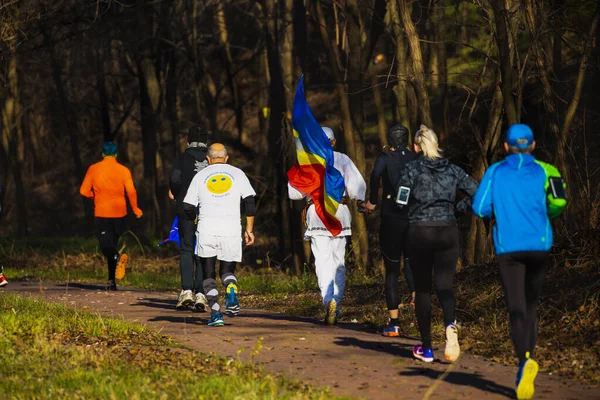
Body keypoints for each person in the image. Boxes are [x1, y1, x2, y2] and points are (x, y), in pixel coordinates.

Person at [472, 124, 567, 400]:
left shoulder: (495, 172)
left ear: (505, 147)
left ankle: (524, 361)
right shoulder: (547, 170)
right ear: (534, 145)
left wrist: (501, 209)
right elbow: (560, 202)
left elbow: (479, 208)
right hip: (539, 246)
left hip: (509, 248)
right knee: (531, 306)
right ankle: (529, 357)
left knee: (516, 308)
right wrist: (543, 212)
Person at [395, 125, 478, 363]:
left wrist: (409, 208)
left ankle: (427, 348)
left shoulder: (410, 170)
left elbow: (401, 201)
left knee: (422, 289)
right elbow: (478, 192)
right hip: (448, 231)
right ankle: (451, 329)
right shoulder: (453, 170)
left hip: (420, 232)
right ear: (436, 143)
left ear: (416, 147)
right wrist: (456, 210)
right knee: (445, 286)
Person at [288, 127, 367, 325]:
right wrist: (359, 200)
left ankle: (327, 301)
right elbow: (357, 187)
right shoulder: (342, 159)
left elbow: (293, 193)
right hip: (339, 212)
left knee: (322, 261)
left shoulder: (307, 161)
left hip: (316, 213)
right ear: (333, 142)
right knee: (338, 260)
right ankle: (336, 304)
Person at [183, 143, 256, 327]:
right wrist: (249, 229)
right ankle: (231, 287)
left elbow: (187, 207)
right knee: (226, 271)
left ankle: (216, 314)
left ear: (208, 159)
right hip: (231, 230)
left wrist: (196, 219)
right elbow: (249, 202)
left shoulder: (200, 176)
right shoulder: (238, 174)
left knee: (208, 273)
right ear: (226, 158)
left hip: (207, 229)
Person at [364, 124, 418, 337]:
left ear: (389, 140)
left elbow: (375, 176)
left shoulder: (385, 157)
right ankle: (417, 300)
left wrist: (372, 202)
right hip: (413, 217)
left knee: (392, 270)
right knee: (412, 263)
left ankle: (394, 323)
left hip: (391, 218)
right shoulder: (416, 158)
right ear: (406, 140)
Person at [80, 141, 143, 290]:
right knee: (112, 246)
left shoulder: (94, 169)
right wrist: (135, 209)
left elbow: (83, 191)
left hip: (103, 213)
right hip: (120, 213)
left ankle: (117, 260)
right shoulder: (123, 170)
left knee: (106, 247)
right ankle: (111, 282)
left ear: (102, 154)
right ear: (116, 154)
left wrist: (93, 195)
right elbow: (131, 191)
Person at [169, 124, 210, 311]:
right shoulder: (213, 160)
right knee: (203, 251)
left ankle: (187, 291)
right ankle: (202, 294)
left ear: (188, 141)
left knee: (186, 248)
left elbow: (175, 179)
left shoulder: (182, 158)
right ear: (207, 142)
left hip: (186, 208)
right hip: (209, 211)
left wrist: (176, 193)